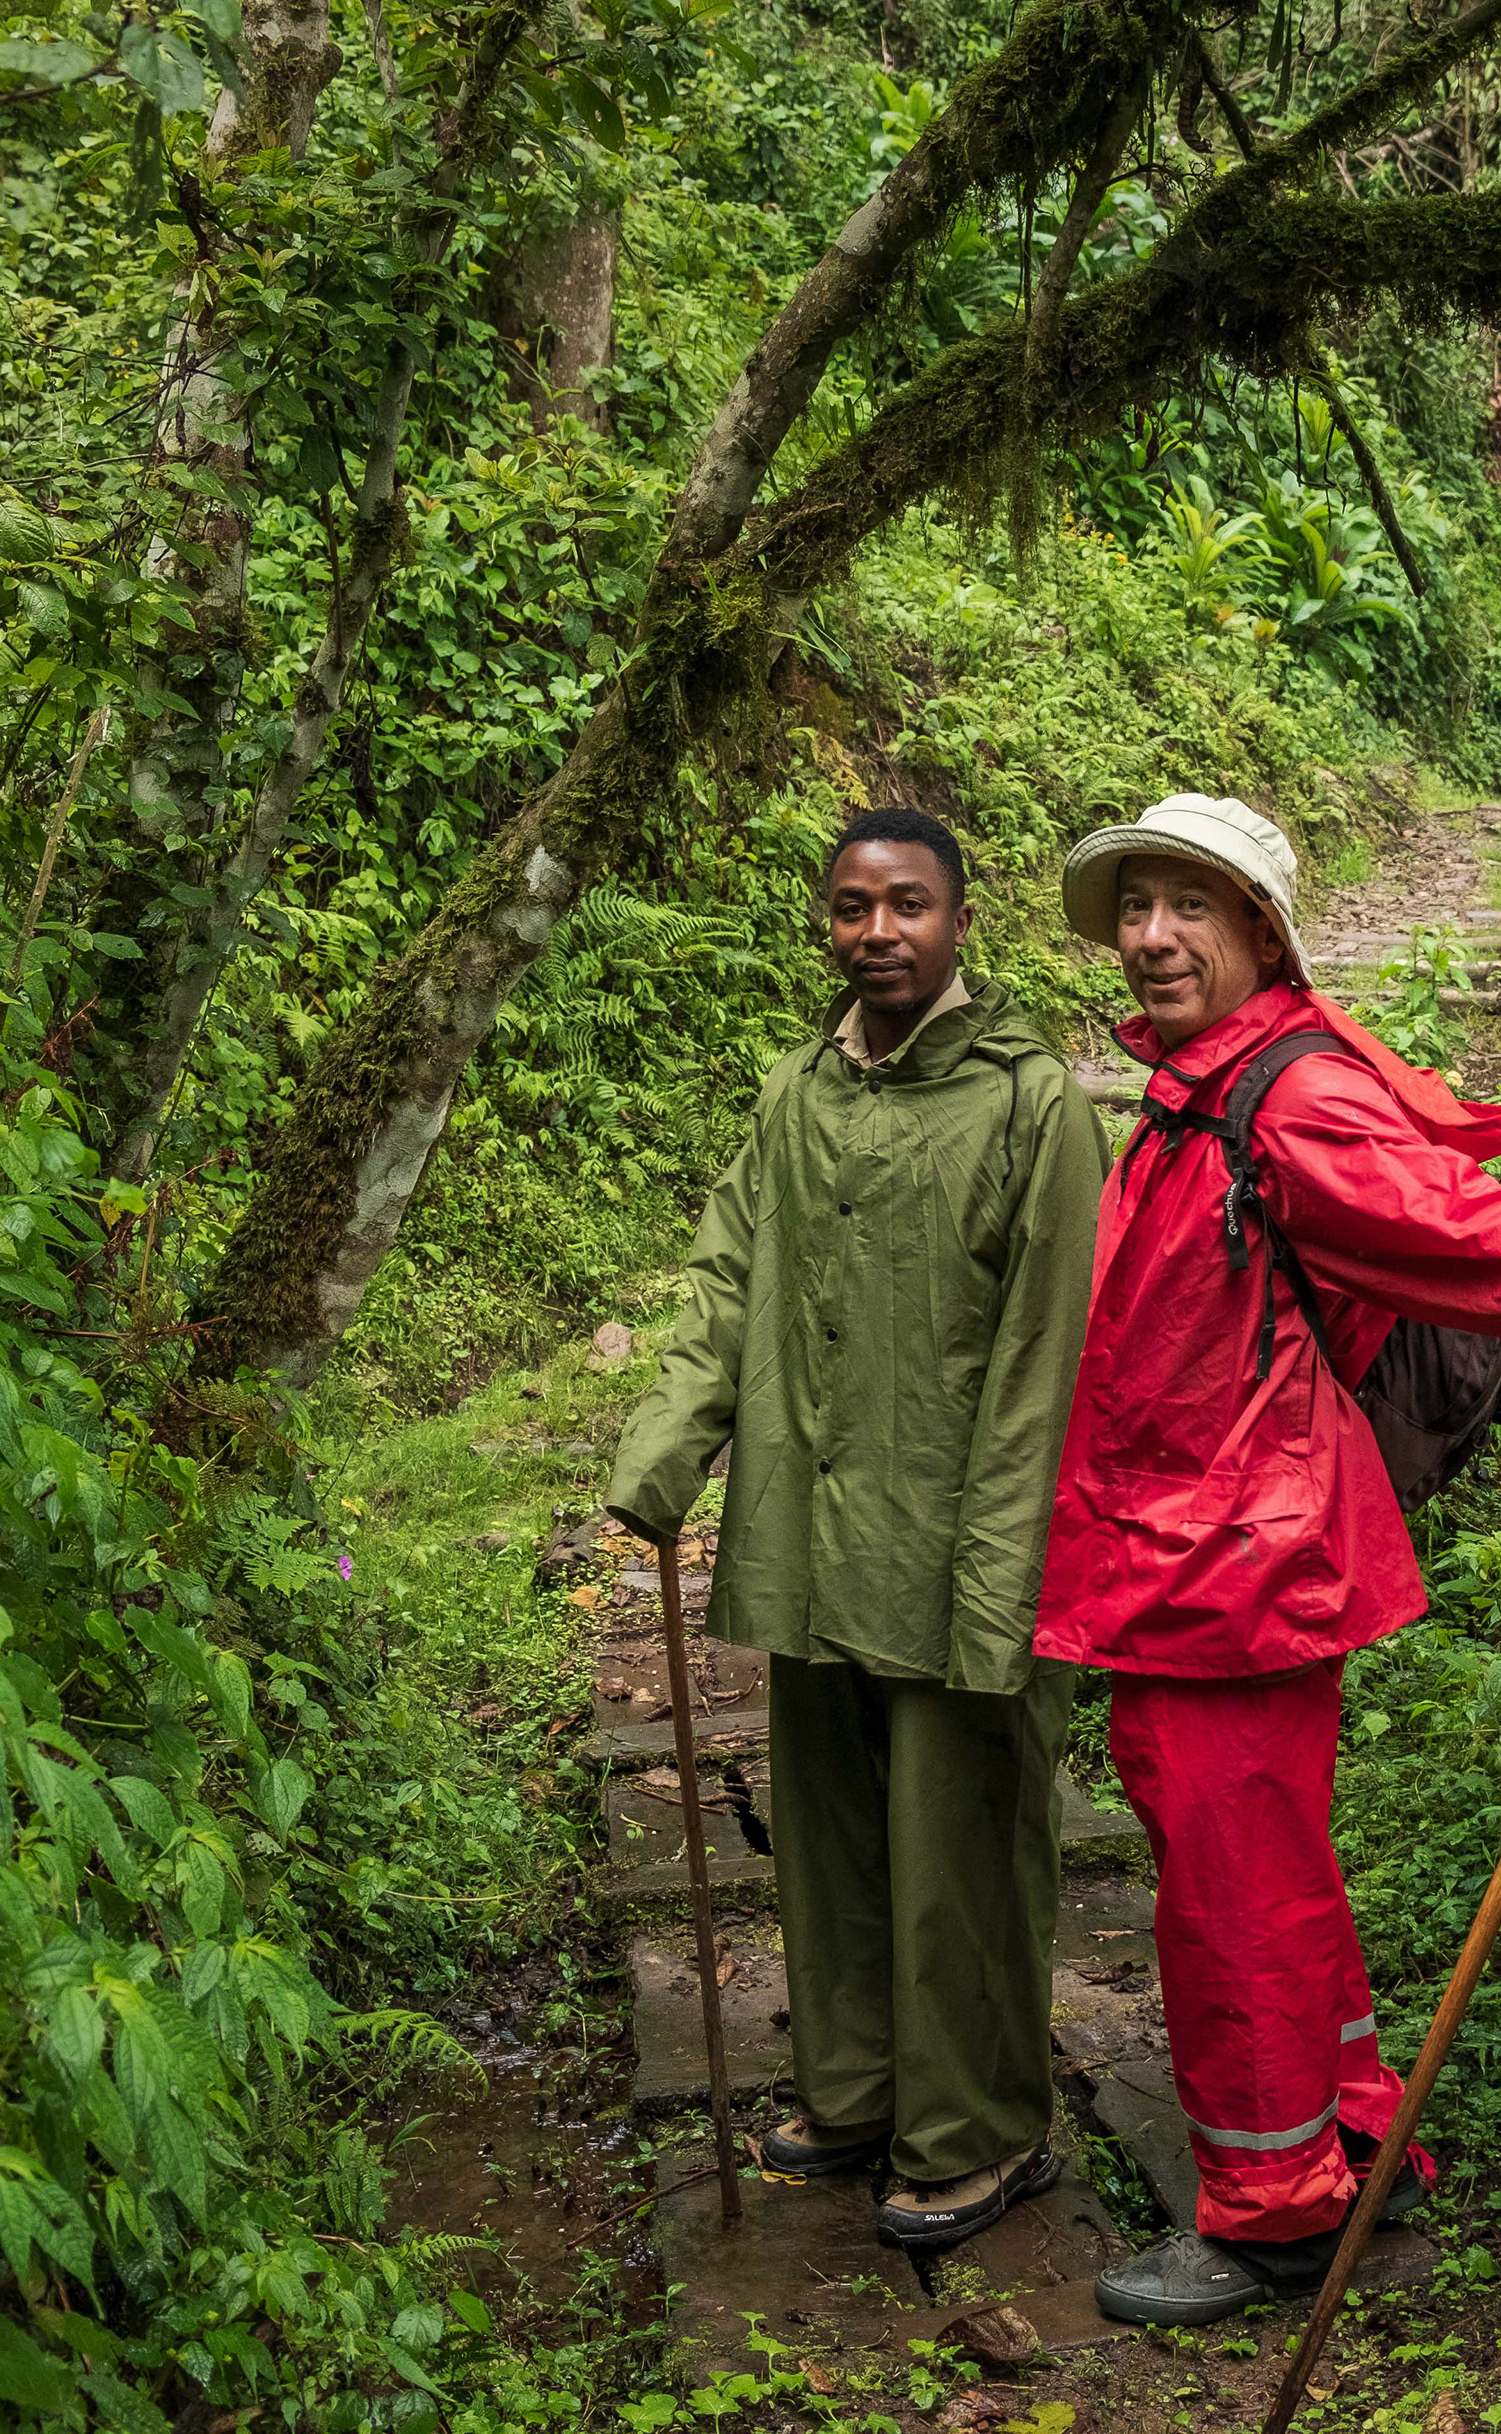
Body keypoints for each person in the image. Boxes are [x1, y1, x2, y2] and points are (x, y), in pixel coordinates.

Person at [1038, 794, 1501, 2325]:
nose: (1154, 936)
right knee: (1264, 1868)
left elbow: (1461, 1227)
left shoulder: (1289, 1100)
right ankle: (1346, 2133)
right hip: (1198, 1547)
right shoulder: (1209, 1085)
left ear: (1262, 932)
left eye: (1192, 906)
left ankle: (1275, 2216)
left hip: (1228, 1565)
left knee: (1231, 1891)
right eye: (1136, 907)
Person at [602, 805, 1107, 2252]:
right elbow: (721, 1286)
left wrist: (1004, 1576)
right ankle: (857, 2093)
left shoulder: (1032, 1106)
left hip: (964, 1552)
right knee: (826, 1838)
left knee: (959, 1853)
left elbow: (1042, 1365)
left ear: (960, 921)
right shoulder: (797, 1094)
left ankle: (980, 2131)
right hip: (813, 1540)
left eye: (907, 906)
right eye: (850, 908)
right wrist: (664, 1454)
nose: (877, 933)